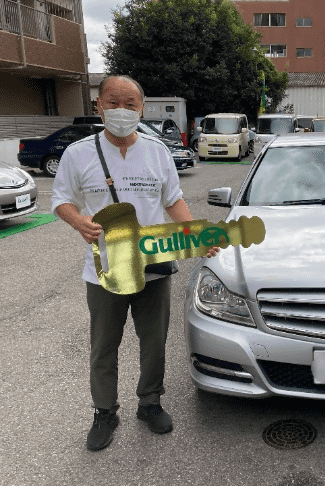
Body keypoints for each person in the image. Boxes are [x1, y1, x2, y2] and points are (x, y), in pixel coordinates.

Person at [51, 75, 219, 452]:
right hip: (105, 271)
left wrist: (196, 233)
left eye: (130, 104)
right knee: (104, 346)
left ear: (142, 108)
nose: (122, 111)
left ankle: (150, 403)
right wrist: (78, 222)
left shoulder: (157, 151)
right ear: (98, 106)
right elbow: (62, 198)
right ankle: (105, 412)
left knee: (154, 341)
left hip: (153, 265)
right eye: (113, 102)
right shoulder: (79, 153)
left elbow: (173, 199)